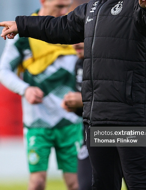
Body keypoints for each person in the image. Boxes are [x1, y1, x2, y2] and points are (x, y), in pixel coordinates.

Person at [0, 0, 146, 190]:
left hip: (131, 114)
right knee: (102, 185)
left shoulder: (143, 0)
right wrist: (22, 24)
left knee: (139, 183)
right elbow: (60, 27)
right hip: (97, 115)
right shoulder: (96, 3)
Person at [0, 0, 82, 190]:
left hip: (71, 120)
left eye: (67, 6)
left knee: (76, 182)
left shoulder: (74, 31)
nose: (64, 12)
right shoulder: (24, 34)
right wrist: (25, 89)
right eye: (59, 6)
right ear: (43, 0)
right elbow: (3, 71)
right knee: (37, 182)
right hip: (37, 122)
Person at [62, 43, 91, 190]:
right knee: (85, 186)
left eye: (81, 38)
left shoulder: (108, 62)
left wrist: (84, 100)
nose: (75, 44)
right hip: (92, 134)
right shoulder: (79, 63)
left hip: (127, 132)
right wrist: (74, 106)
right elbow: (84, 109)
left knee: (137, 182)